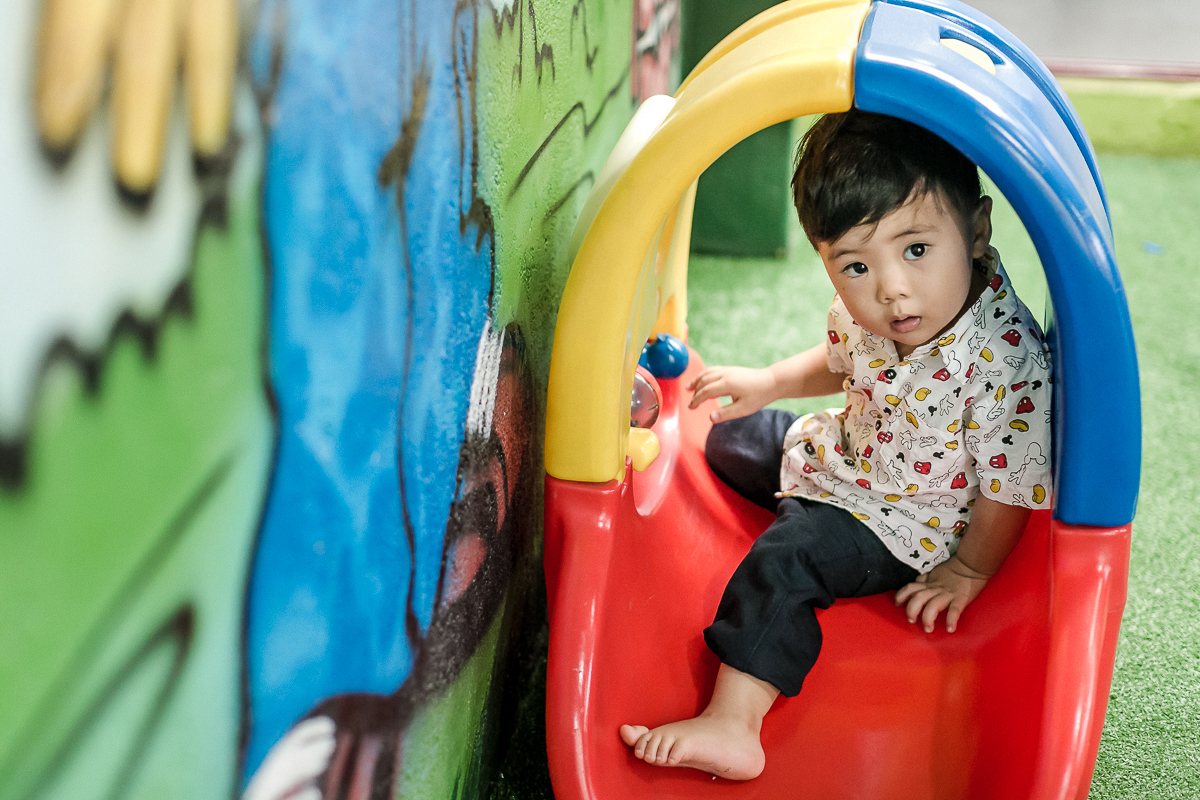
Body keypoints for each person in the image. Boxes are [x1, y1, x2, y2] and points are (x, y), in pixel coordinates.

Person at [618, 109, 1053, 780]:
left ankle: (735, 723)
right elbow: (841, 358)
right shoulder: (884, 310)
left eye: (915, 249)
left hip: (908, 521)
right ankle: (795, 489)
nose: (890, 289)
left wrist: (970, 569)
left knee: (789, 559)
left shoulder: (1003, 362)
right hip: (847, 454)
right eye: (854, 265)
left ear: (976, 229)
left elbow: (1007, 485)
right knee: (729, 441)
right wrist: (768, 381)